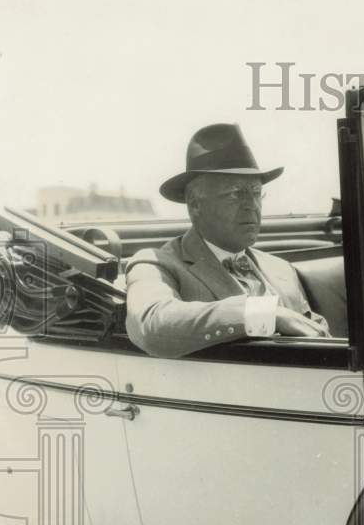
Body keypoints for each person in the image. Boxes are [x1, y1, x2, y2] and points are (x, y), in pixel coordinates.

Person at [125, 123, 329, 358]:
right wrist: (263, 313)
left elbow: (321, 336)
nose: (251, 206)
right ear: (195, 204)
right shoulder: (156, 264)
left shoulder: (281, 269)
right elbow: (151, 325)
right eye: (235, 193)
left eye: (255, 193)